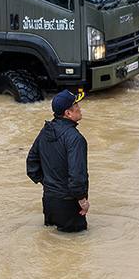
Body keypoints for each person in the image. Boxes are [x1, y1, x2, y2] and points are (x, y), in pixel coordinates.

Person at [27, 90, 89, 232]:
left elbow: (31, 163)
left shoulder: (45, 132)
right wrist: (82, 201)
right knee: (75, 250)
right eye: (77, 106)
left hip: (49, 202)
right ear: (68, 113)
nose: (80, 109)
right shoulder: (75, 138)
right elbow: (76, 176)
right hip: (69, 204)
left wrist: (49, 184)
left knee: (52, 246)